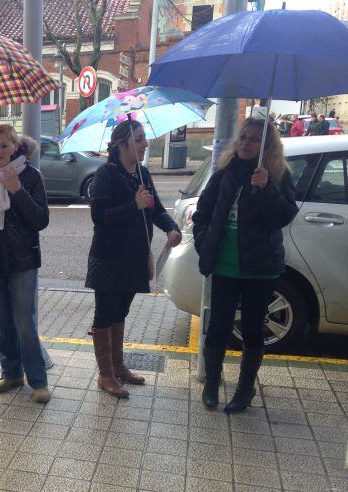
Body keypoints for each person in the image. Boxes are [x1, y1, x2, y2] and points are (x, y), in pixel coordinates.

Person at [191, 118, 298, 413]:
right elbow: (202, 213)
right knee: (218, 328)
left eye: (254, 140)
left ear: (267, 147)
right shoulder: (224, 173)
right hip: (224, 264)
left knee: (252, 329)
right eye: (244, 138)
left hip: (260, 267)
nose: (247, 143)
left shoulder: (276, 175)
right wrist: (204, 242)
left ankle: (245, 389)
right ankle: (212, 383)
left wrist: (266, 189)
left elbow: (284, 217)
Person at [86, 119, 181, 399]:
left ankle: (118, 367)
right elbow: (99, 217)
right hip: (109, 258)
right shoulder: (106, 175)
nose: (144, 144)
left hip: (134, 257)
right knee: (105, 313)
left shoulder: (142, 174)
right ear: (122, 144)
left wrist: (170, 227)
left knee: (121, 312)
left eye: (143, 138)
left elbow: (156, 208)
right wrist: (133, 205)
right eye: (138, 139)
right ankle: (105, 375)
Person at [0, 125, 51, 403]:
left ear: (16, 147)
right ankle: (11, 372)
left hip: (22, 260)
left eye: (5, 145)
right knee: (3, 322)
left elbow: (40, 219)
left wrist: (17, 191)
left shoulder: (30, 175)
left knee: (24, 322)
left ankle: (38, 380)